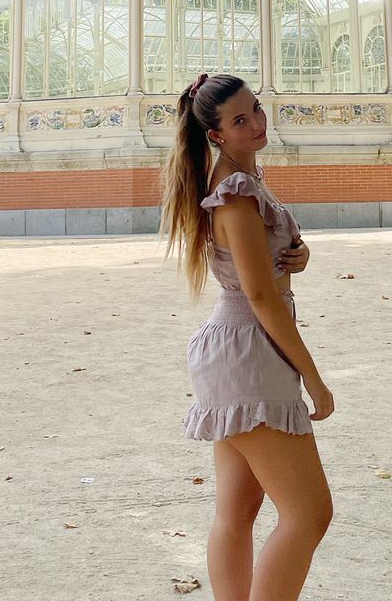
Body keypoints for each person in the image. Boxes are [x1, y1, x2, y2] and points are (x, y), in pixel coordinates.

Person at [160, 72, 334, 601]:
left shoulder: (242, 181)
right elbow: (260, 297)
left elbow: (261, 271)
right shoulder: (234, 194)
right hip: (251, 348)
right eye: (240, 119)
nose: (257, 122)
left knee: (236, 512)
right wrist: (314, 378)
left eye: (255, 108)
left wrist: (298, 257)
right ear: (215, 135)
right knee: (309, 514)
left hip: (238, 349)